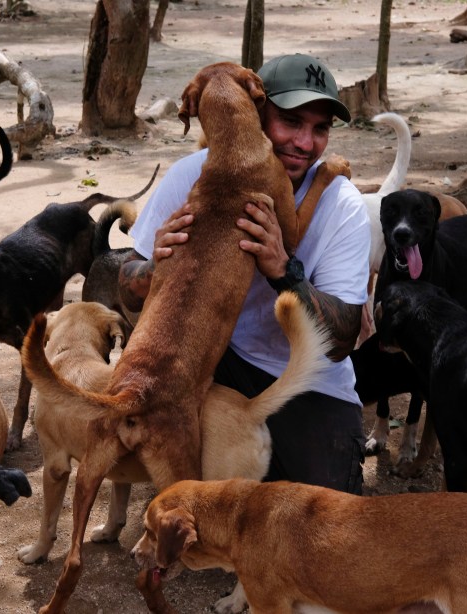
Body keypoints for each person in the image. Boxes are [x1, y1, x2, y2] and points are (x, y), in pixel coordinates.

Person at [119, 54, 370, 494]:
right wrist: (154, 268)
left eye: (320, 129)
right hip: (221, 361)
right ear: (255, 111)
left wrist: (284, 270)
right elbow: (124, 288)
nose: (305, 143)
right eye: (291, 121)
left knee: (320, 525)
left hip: (306, 380)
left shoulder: (341, 203)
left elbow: (342, 341)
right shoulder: (191, 176)